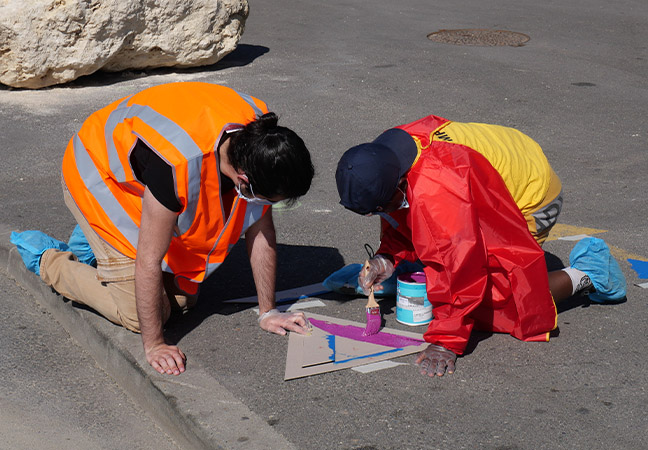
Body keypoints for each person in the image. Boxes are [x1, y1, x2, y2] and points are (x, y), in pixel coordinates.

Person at [11, 82, 315, 376]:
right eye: (269, 200)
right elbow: (148, 260)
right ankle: (49, 259)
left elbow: (261, 230)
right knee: (141, 314)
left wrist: (269, 311)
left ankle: (95, 248)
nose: (269, 208)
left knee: (182, 301)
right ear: (244, 181)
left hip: (142, 179)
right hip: (97, 175)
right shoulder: (176, 165)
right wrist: (154, 344)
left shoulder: (262, 143)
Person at [335, 114, 626, 378]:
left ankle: (589, 271)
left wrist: (446, 340)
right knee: (436, 258)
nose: (378, 215)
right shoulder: (384, 157)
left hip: (531, 194)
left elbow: (462, 266)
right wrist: (388, 255)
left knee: (504, 301)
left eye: (377, 209)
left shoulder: (437, 189)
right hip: (508, 160)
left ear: (397, 182)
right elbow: (402, 213)